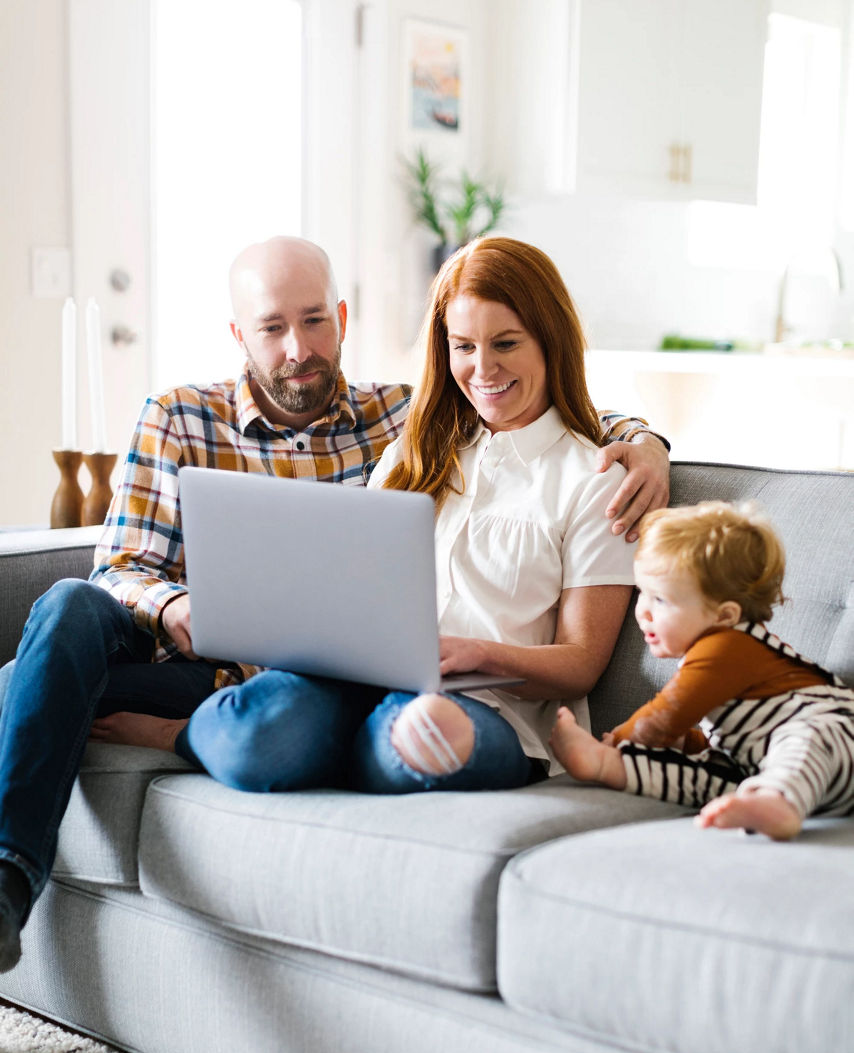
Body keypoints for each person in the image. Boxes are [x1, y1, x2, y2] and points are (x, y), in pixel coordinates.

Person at [0, 235, 669, 973]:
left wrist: (649, 443)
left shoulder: (448, 434)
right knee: (81, 619)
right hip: (266, 665)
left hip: (407, 691)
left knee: (373, 728)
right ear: (239, 336)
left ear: (342, 319)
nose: (298, 348)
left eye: (314, 320)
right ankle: (16, 869)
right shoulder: (385, 440)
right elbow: (124, 567)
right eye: (273, 327)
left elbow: (553, 430)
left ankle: (140, 722)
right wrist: (183, 610)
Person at [93, 236, 649, 803]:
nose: (483, 369)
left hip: (491, 711)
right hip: (357, 686)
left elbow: (580, 663)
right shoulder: (416, 450)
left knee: (424, 732)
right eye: (463, 347)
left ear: (550, 342)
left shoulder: (595, 478)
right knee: (268, 726)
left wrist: (478, 654)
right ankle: (206, 735)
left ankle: (358, 747)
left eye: (506, 343)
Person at [549, 500, 854, 839]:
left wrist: (616, 740)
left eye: (661, 599)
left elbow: (666, 716)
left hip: (838, 737)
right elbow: (721, 739)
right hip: (764, 767)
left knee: (805, 738)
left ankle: (777, 803)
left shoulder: (727, 647)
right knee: (705, 775)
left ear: (724, 616)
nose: (644, 612)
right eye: (642, 593)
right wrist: (682, 745)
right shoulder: (711, 653)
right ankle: (606, 768)